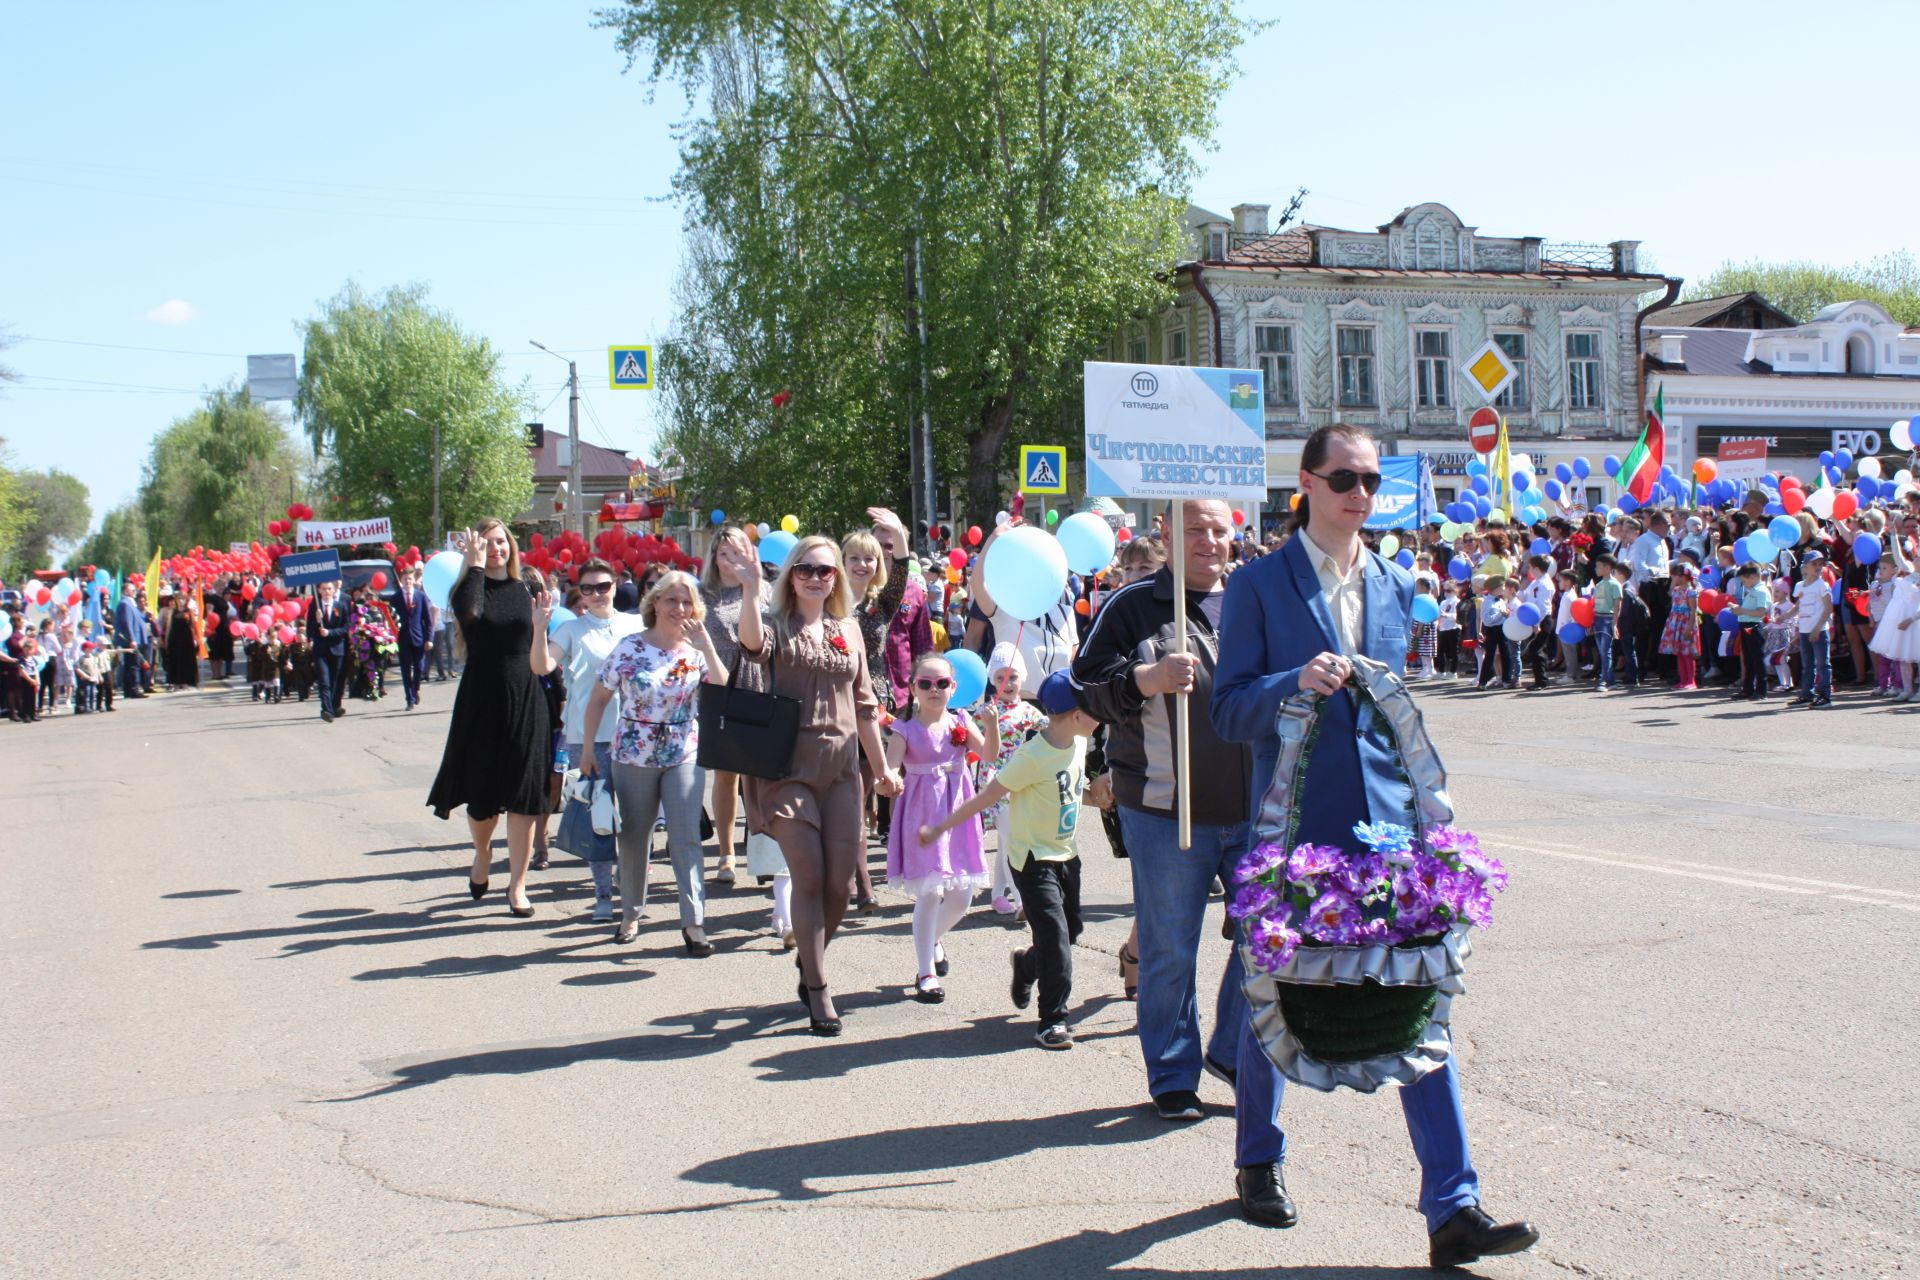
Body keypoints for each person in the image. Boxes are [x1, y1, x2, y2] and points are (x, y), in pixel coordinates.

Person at [1211, 422, 1538, 1266]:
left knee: (1417, 1000)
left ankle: (1453, 1207)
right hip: (1292, 834)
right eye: (1345, 479)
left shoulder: (1395, 582)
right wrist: (1294, 682)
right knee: (1270, 1000)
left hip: (1387, 837)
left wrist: (1429, 831)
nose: (1361, 495)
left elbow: (1395, 720)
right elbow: (1227, 710)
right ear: (1307, 484)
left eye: (1371, 482)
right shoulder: (1257, 585)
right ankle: (1258, 1160)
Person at [1070, 498, 1253, 1123]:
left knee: (1270, 936)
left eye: (1218, 530)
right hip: (1165, 804)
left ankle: (1230, 1050)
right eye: (1193, 530)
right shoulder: (1133, 604)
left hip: (1257, 806)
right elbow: (1086, 686)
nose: (1208, 541)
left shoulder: (1253, 597)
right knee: (1172, 948)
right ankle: (1174, 1075)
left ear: (1235, 535)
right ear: (1166, 537)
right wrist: (1146, 680)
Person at [727, 534, 901, 1036]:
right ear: (791, 575)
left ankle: (810, 959)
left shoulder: (848, 629)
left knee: (840, 886)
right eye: (805, 569)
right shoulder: (775, 625)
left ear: (837, 579)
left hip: (843, 772)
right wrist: (749, 592)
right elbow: (751, 646)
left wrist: (883, 769)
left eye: (825, 570)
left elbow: (866, 706)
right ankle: (820, 990)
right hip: (786, 770)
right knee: (807, 876)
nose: (815, 577)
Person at [920, 671, 1099, 1050]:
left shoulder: (1080, 744)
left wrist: (1098, 795)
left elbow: (1071, 789)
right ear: (1073, 714)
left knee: (1072, 931)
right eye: (1092, 708)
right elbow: (987, 796)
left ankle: (1028, 965)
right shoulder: (1031, 756)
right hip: (1033, 861)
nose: (1100, 714)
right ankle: (1052, 1020)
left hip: (1067, 854)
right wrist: (941, 827)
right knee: (1056, 942)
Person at [579, 569, 728, 950]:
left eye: (687, 601)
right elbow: (597, 699)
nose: (680, 608)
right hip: (633, 753)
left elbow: (725, 689)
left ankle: (694, 923)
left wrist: (707, 646)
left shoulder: (696, 652)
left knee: (686, 838)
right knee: (634, 837)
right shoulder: (630, 648)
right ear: (655, 603)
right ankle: (631, 913)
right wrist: (585, 750)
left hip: (683, 752)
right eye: (672, 600)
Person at [425, 519, 556, 919]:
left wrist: (540, 628)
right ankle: (482, 852)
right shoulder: (470, 587)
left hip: (525, 697)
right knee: (483, 798)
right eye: (488, 543)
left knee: (523, 796)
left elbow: (541, 656)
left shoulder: (528, 589)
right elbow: (470, 614)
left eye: (501, 542)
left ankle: (518, 885)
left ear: (512, 545)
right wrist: (476, 566)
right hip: (481, 699)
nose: (497, 548)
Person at [883, 652, 989, 1004]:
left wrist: (994, 726)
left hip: (957, 813)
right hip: (923, 817)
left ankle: (932, 939)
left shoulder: (961, 720)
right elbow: (891, 768)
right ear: (913, 688)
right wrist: (890, 779)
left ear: (953, 687)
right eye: (925, 683)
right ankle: (925, 970)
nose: (934, 689)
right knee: (929, 893)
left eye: (941, 683)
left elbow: (988, 755)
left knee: (962, 896)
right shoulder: (905, 729)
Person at [547, 557, 644, 922]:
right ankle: (603, 895)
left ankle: (630, 881)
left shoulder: (635, 624)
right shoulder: (571, 630)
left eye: (603, 586)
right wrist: (540, 626)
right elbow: (543, 665)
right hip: (587, 738)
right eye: (587, 589)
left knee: (637, 817)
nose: (596, 594)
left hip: (636, 735)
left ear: (615, 585)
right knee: (598, 816)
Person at [699, 523, 758, 886]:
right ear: (715, 559)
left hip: (762, 686)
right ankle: (726, 853)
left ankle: (762, 846)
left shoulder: (766, 591)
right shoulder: (704, 595)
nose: (731, 560)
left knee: (760, 775)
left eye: (738, 552)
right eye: (724, 554)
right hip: (721, 688)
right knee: (726, 776)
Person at [981, 643, 1046, 915]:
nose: (1007, 684)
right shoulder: (985, 711)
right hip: (996, 781)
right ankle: (1022, 899)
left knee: (1008, 841)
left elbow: (1051, 728)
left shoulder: (1028, 710)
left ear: (1023, 678)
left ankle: (998, 895)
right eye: (1000, 678)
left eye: (1013, 677)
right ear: (992, 680)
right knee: (1012, 839)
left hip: (1021, 780)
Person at [1789, 551, 1834, 709]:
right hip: (1804, 630)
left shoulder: (1822, 585)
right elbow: (1797, 607)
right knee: (1807, 665)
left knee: (1823, 664)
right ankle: (1807, 694)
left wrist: (1817, 628)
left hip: (1819, 631)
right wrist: (1783, 617)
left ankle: (1825, 696)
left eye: (1820, 564)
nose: (1818, 567)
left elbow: (1828, 608)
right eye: (1814, 564)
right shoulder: (1799, 586)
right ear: (1805, 566)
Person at [390, 565, 435, 710]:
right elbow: (391, 621)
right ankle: (409, 698)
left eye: (410, 579)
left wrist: (429, 639)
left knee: (419, 668)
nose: (407, 582)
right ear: (401, 580)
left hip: (418, 638)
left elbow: (428, 620)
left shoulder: (421, 596)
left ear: (414, 580)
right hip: (402, 639)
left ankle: (415, 689)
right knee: (405, 669)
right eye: (405, 579)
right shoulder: (395, 598)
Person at [308, 580, 349, 721]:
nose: (326, 592)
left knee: (335, 681)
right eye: (324, 589)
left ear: (333, 590)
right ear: (319, 590)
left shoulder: (340, 606)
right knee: (324, 681)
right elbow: (310, 629)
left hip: (337, 649)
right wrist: (316, 619)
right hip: (321, 650)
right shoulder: (315, 608)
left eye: (329, 589)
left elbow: (345, 628)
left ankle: (334, 706)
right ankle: (326, 710)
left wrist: (330, 632)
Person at [1731, 563, 1771, 701]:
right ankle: (1748, 689)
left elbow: (1761, 612)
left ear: (1753, 576)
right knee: (1748, 658)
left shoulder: (1761, 591)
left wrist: (1741, 610)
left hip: (1753, 625)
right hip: (1746, 624)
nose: (1744, 583)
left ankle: (1761, 690)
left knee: (1757, 658)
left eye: (1745, 579)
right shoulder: (1752, 590)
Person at [1660, 560, 1702, 690]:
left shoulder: (1691, 592)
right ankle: (1683, 680)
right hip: (1675, 624)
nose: (1673, 578)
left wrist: (1689, 628)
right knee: (1679, 653)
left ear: (1683, 577)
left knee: (1687, 653)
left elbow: (1693, 611)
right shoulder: (1676, 591)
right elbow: (1672, 599)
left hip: (1686, 624)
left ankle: (1691, 680)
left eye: (1676, 575)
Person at [112, 589, 148, 701]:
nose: (134, 592)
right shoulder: (125, 604)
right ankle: (133, 689)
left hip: (135, 638)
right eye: (132, 590)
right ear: (126, 591)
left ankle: (129, 689)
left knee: (131, 664)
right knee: (133, 665)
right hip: (130, 640)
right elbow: (127, 622)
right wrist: (132, 639)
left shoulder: (130, 603)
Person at [164, 595, 200, 688]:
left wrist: (196, 639)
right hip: (175, 638)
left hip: (186, 639)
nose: (181, 601)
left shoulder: (189, 611)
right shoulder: (173, 611)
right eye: (179, 598)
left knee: (186, 660)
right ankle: (176, 681)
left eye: (183, 598)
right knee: (175, 660)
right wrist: (166, 640)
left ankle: (186, 681)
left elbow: (193, 626)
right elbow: (169, 626)